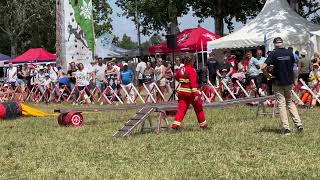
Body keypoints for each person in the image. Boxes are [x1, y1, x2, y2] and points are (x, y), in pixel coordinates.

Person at [260, 37, 303, 135]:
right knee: (290, 102)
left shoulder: (273, 53)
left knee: (281, 104)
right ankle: (299, 125)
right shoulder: (289, 52)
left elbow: (263, 67)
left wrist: (267, 75)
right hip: (288, 82)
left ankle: (286, 128)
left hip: (278, 82)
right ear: (282, 43)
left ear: (274, 44)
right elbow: (295, 65)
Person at [172, 55, 208, 130]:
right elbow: (192, 83)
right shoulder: (191, 70)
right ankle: (203, 125)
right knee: (199, 108)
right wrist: (195, 94)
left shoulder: (181, 69)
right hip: (190, 92)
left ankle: (175, 125)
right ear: (192, 61)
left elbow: (176, 77)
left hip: (181, 92)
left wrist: (183, 82)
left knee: (181, 109)